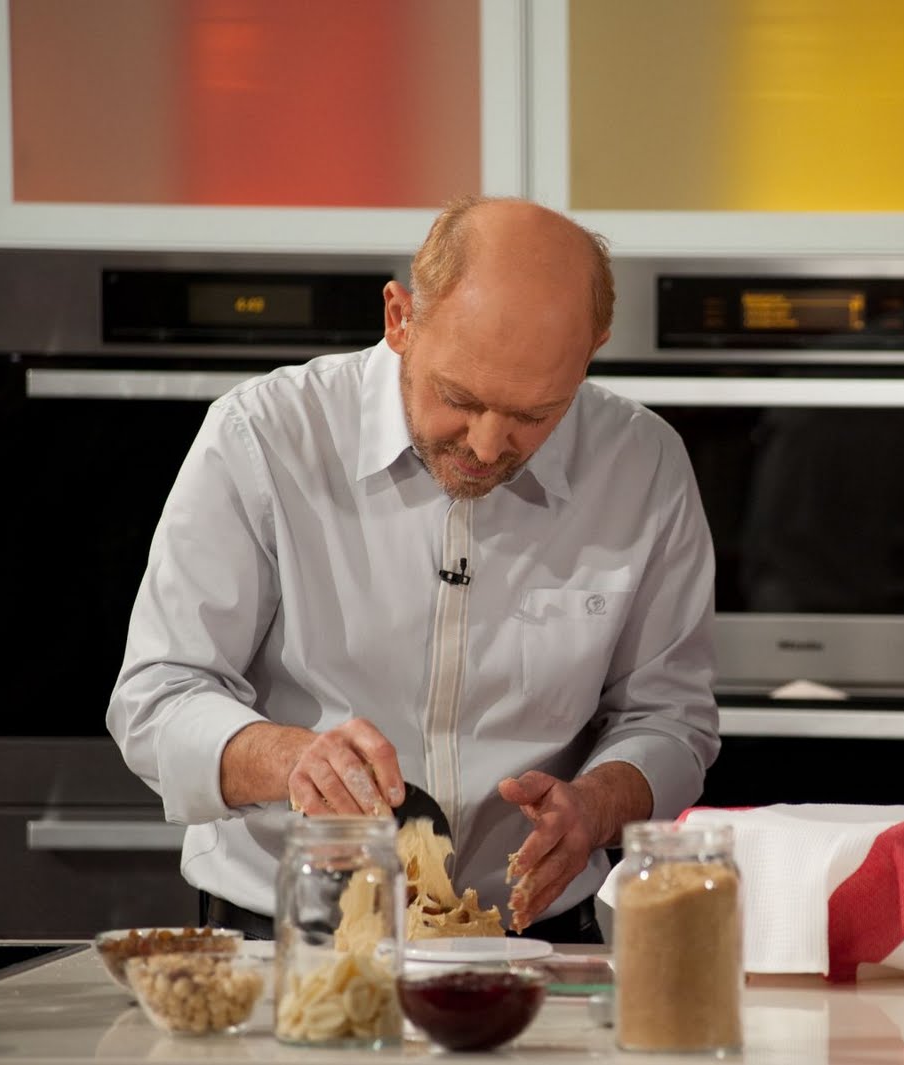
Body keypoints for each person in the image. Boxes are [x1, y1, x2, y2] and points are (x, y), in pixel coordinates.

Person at [107, 196, 720, 942]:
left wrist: (596, 804)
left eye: (535, 414)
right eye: (459, 398)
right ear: (400, 318)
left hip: (536, 936)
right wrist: (292, 760)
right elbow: (158, 697)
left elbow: (670, 718)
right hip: (289, 933)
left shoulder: (642, 465)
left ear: (592, 350)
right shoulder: (263, 436)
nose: (487, 446)